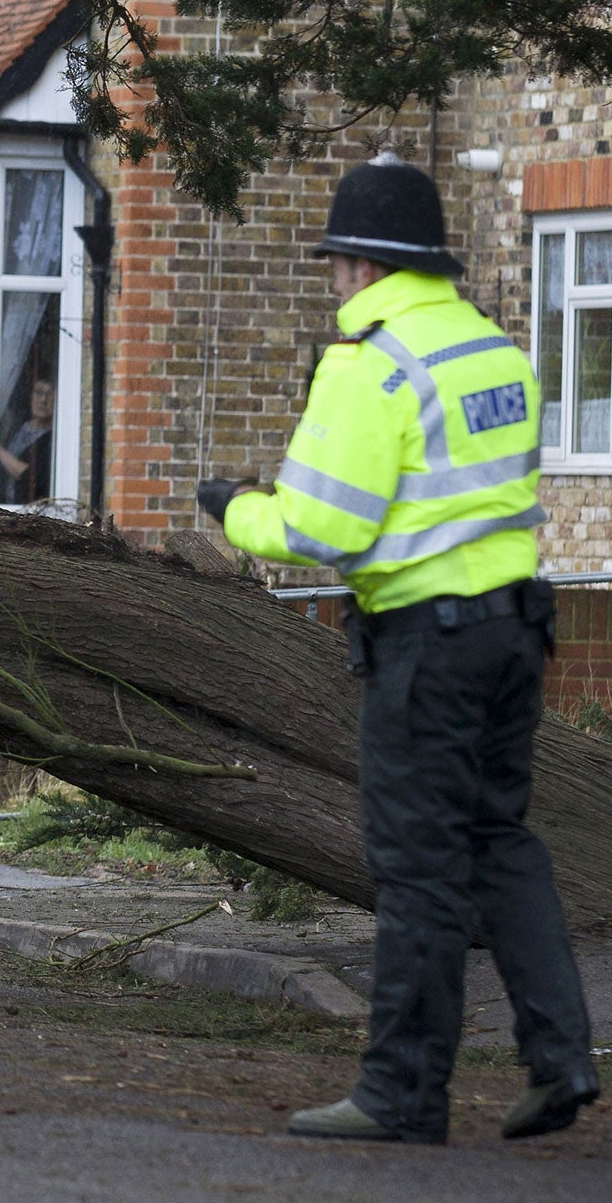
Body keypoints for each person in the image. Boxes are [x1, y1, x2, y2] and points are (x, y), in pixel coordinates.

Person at [197, 153, 597, 1144]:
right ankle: (559, 1058)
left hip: (425, 642)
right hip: (513, 630)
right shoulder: (495, 354)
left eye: (336, 266)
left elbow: (318, 527)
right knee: (498, 842)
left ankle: (399, 1092)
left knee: (416, 867)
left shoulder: (371, 361)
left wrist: (233, 510)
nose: (333, 284)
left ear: (368, 268)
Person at [0, 375, 55, 505]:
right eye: (38, 393)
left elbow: (28, 475)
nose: (43, 400)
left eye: (49, 394)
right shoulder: (14, 428)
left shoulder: (54, 440)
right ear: (30, 396)